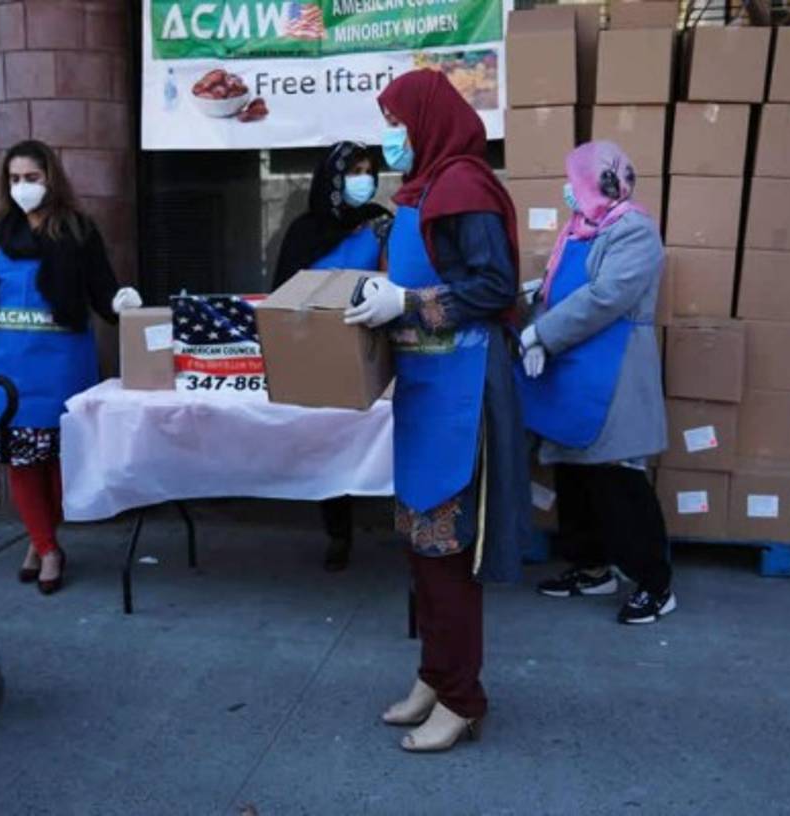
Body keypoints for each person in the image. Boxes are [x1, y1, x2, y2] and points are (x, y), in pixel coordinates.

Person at [344, 70, 533, 753]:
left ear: (426, 119)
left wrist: (409, 304)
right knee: (422, 547)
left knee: (449, 551)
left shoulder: (462, 186)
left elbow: (494, 284)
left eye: (396, 121)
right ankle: (434, 672)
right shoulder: (421, 188)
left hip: (463, 390)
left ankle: (463, 697)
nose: (391, 135)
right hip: (426, 388)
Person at [0, 140, 140, 595]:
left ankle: (41, 538)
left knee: (63, 465)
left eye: (32, 178)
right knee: (21, 464)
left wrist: (123, 305)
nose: (23, 187)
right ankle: (47, 547)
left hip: (60, 366)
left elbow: (103, 290)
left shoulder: (77, 229)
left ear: (51, 178)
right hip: (2, 366)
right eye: (15, 179)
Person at [516, 141, 676, 625]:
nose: (568, 189)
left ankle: (655, 583)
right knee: (575, 473)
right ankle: (591, 568)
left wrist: (541, 332)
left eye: (574, 179)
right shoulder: (581, 228)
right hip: (573, 368)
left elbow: (608, 297)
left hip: (614, 370)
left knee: (617, 479)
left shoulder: (634, 231)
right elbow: (561, 285)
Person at [273, 140, 392, 571]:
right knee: (327, 442)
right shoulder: (305, 230)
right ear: (333, 178)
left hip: (372, 347)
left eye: (368, 170)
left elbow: (394, 275)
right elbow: (282, 294)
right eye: (354, 171)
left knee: (381, 439)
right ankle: (338, 534)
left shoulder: (380, 223)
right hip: (316, 352)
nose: (365, 179)